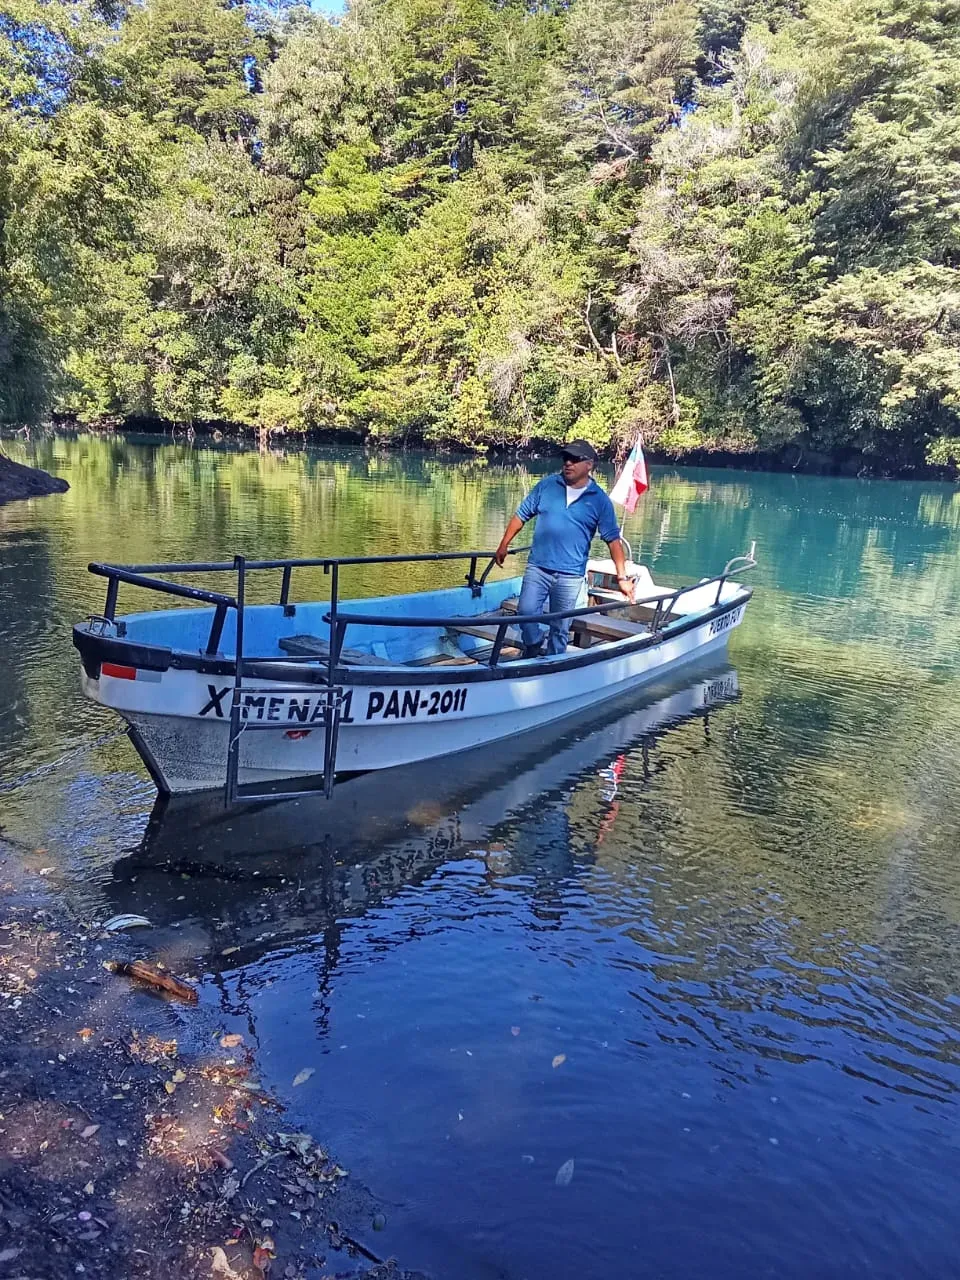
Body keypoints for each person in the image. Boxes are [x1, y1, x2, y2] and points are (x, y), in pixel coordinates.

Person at [494, 440, 636, 659]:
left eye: (575, 459)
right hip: (538, 567)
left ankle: (553, 665)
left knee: (560, 627)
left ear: (589, 465)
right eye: (565, 458)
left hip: (570, 575)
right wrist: (504, 544)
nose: (568, 463)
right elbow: (521, 515)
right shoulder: (547, 486)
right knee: (524, 613)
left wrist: (623, 577)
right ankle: (533, 643)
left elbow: (613, 541)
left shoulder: (599, 501)